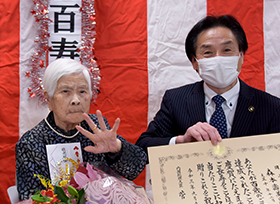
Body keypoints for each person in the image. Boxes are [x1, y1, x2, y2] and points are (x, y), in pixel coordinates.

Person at [136, 15, 280, 157]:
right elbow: (143, 149)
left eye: (227, 50)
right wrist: (180, 141)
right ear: (194, 62)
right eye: (208, 52)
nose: (218, 58)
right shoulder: (175, 100)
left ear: (241, 56)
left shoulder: (271, 106)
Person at [16, 58, 147, 200]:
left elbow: (136, 168)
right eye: (65, 91)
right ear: (49, 99)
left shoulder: (96, 127)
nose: (76, 100)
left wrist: (116, 149)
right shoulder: (31, 143)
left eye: (82, 91)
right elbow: (32, 199)